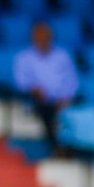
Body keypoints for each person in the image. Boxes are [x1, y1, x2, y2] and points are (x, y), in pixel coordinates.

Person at [13, 21, 79, 152]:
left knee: (78, 110)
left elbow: (72, 80)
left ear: (51, 37)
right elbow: (21, 82)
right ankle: (56, 148)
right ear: (33, 37)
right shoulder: (24, 57)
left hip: (62, 100)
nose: (43, 39)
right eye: (39, 36)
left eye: (46, 36)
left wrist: (66, 97)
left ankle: (75, 149)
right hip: (39, 100)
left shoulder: (62, 55)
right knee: (47, 112)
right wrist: (34, 89)